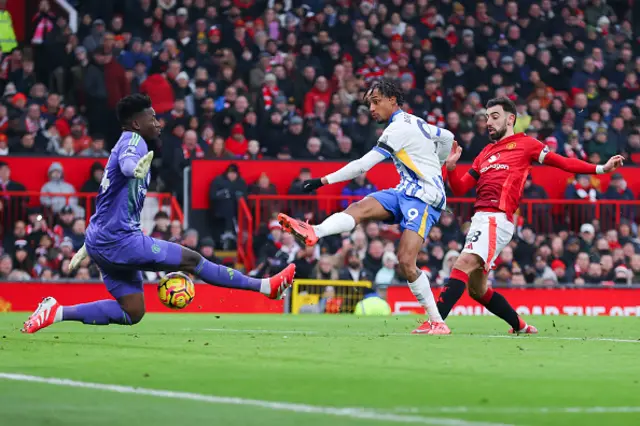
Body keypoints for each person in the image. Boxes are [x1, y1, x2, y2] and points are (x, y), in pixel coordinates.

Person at [22, 94, 295, 334]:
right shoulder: (134, 141)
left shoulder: (125, 142)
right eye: (152, 118)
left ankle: (56, 312)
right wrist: (134, 169)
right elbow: (129, 163)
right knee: (192, 259)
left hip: (102, 240)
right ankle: (265, 286)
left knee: (132, 311)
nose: (158, 123)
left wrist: (89, 245)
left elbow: (107, 198)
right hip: (119, 241)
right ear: (137, 122)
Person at [278, 78, 454, 335]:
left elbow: (362, 166)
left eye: (375, 101)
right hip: (404, 190)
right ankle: (315, 231)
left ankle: (437, 321)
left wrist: (321, 181)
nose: (371, 108)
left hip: (425, 197)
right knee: (359, 208)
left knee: (406, 262)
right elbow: (447, 136)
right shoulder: (415, 121)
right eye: (369, 103)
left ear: (392, 100)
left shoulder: (396, 130)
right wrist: (439, 165)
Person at [440, 96, 624, 334]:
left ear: (511, 119)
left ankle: (436, 320)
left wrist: (600, 169)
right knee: (477, 289)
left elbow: (563, 162)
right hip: (480, 219)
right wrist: (452, 168)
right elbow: (460, 188)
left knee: (462, 264)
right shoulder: (485, 153)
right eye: (487, 118)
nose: (489, 122)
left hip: (497, 218)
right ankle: (521, 326)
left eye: (495, 117)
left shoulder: (526, 144)